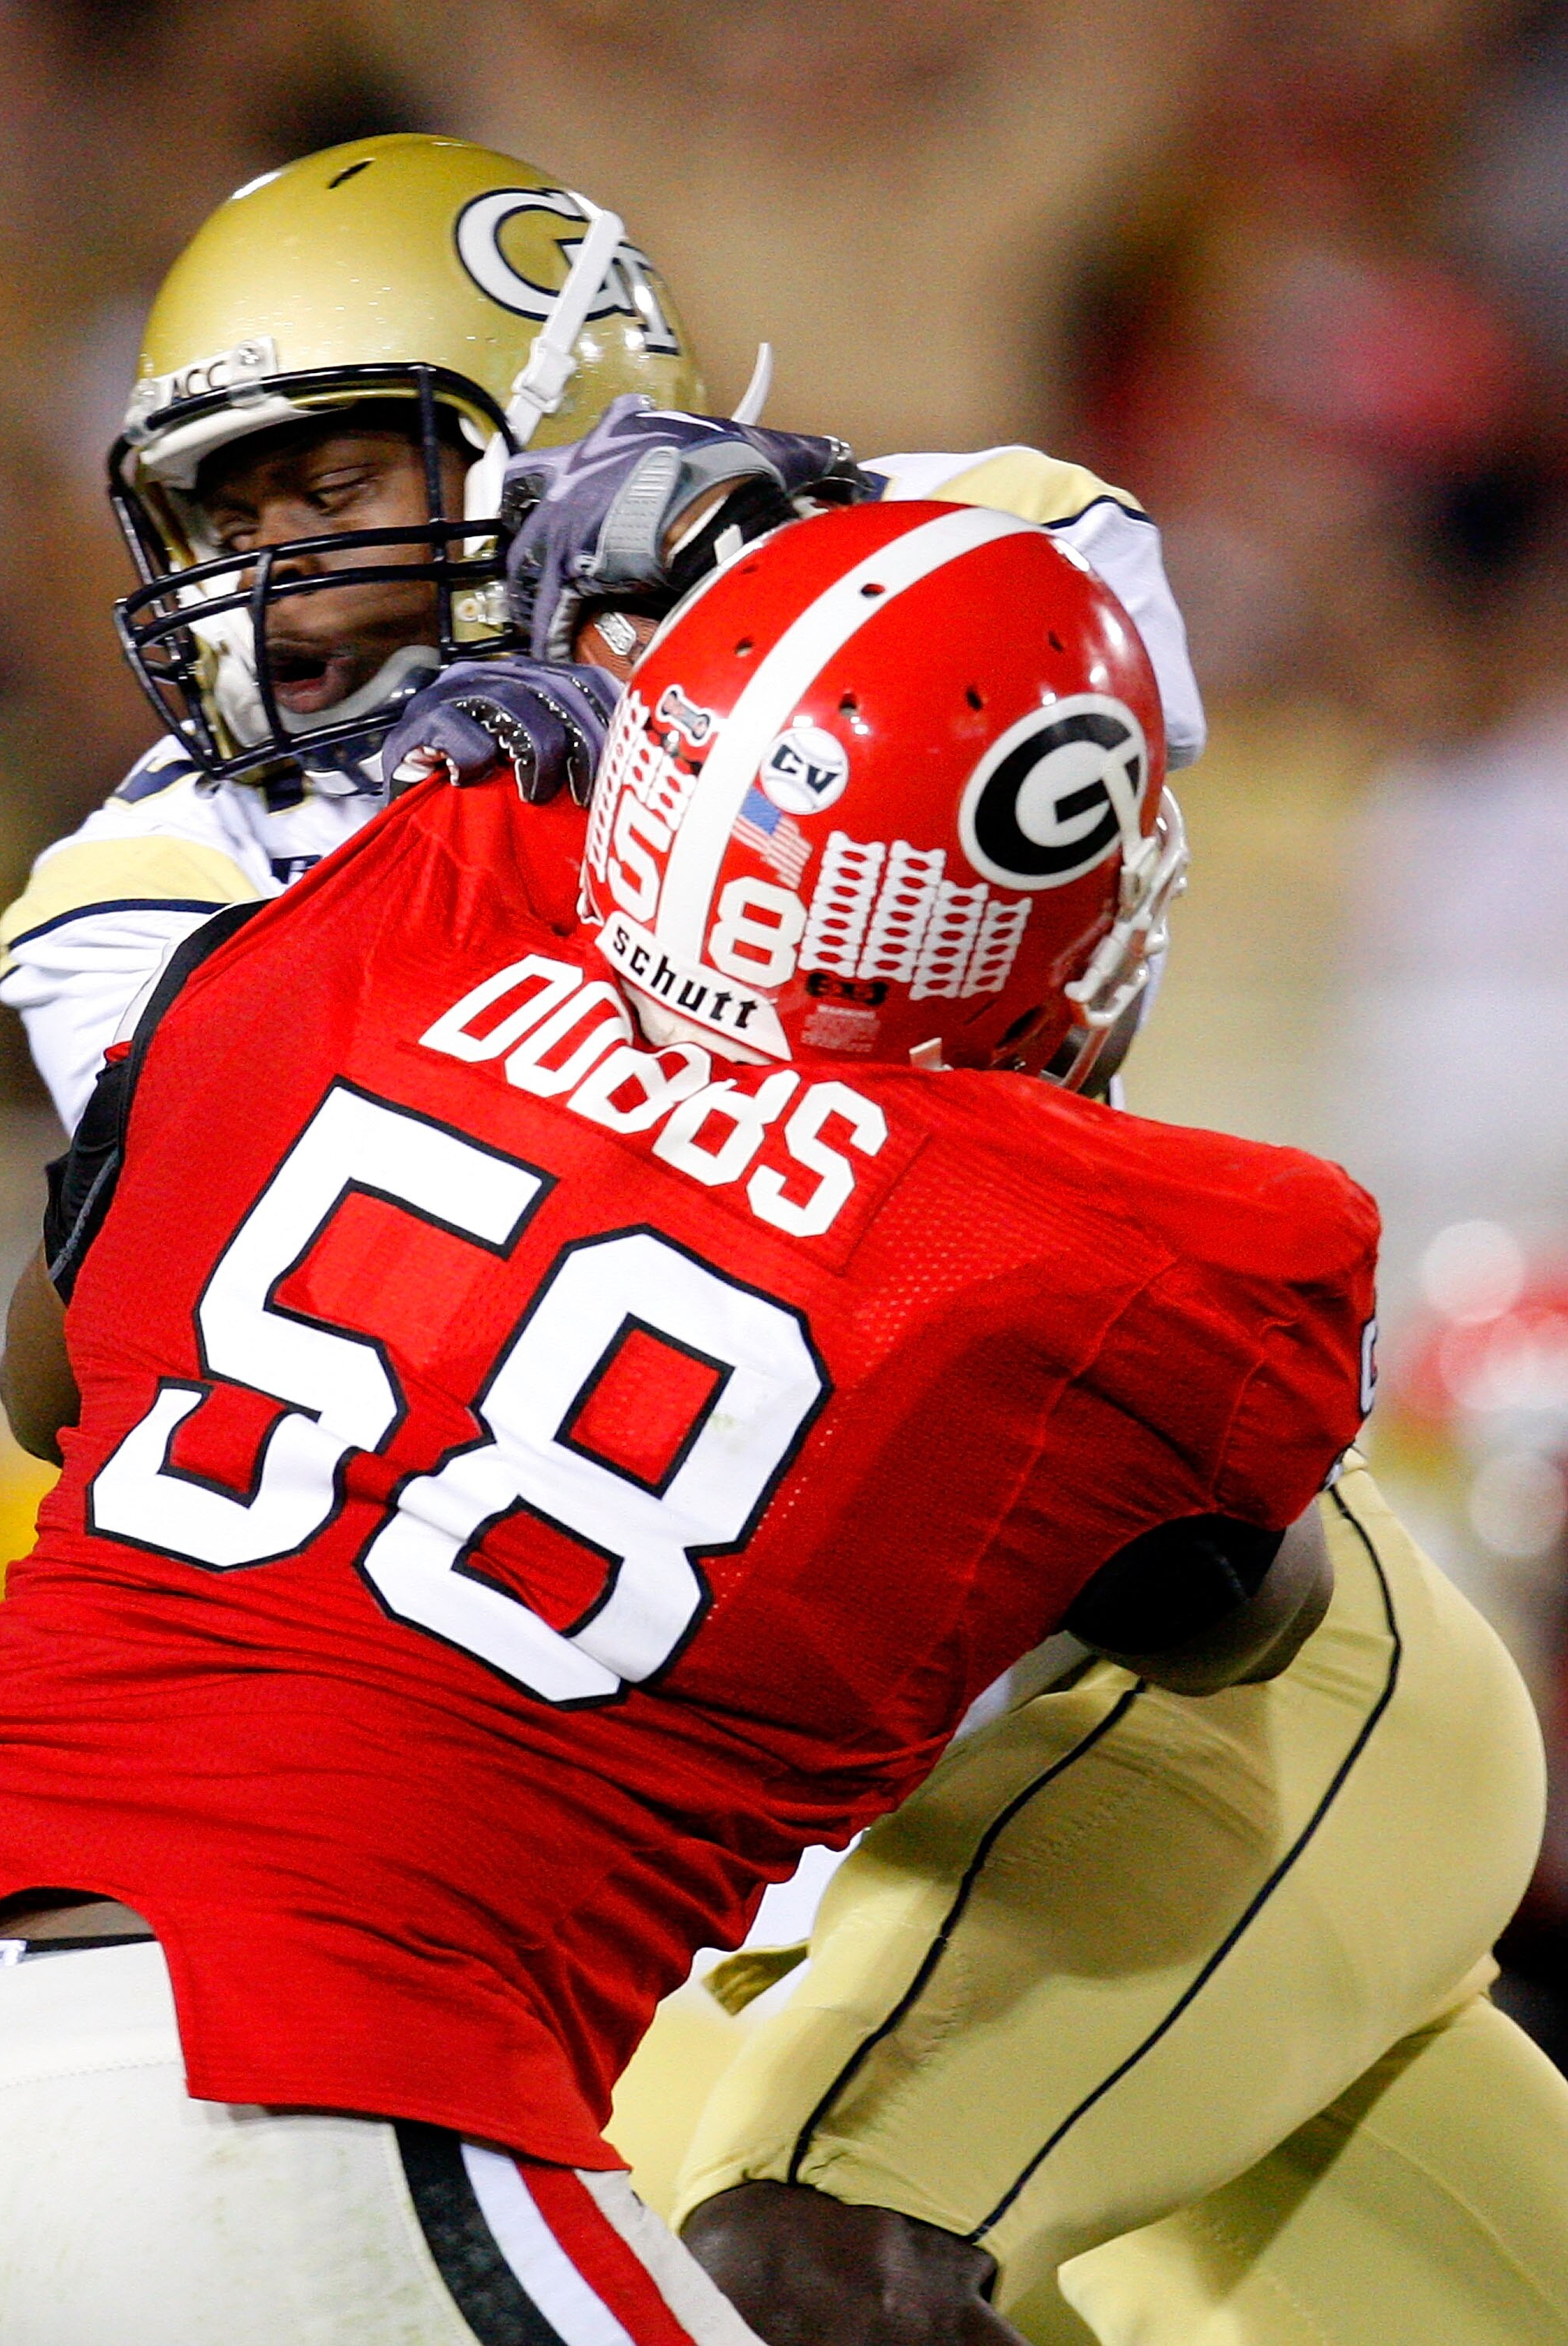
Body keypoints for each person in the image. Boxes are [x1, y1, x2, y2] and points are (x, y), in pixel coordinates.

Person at [0, 504, 1370, 2342]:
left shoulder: (395, 912)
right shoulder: (1122, 1250)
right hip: (316, 2091)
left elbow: (51, 1375)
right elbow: (1240, 1618)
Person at [497, 418, 1568, 2346]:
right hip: (719, 1908)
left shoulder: (387, 954)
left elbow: (1225, 1603)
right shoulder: (333, 916)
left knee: (807, 2254)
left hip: (1151, 1751)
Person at [0, 131, 1204, 1132]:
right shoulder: (140, 877)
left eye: (330, 493)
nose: (271, 576)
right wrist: (485, 832)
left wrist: (727, 590)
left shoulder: (976, 535)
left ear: (557, 439)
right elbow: (368, 1176)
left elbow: (1069, 590)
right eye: (225, 515)